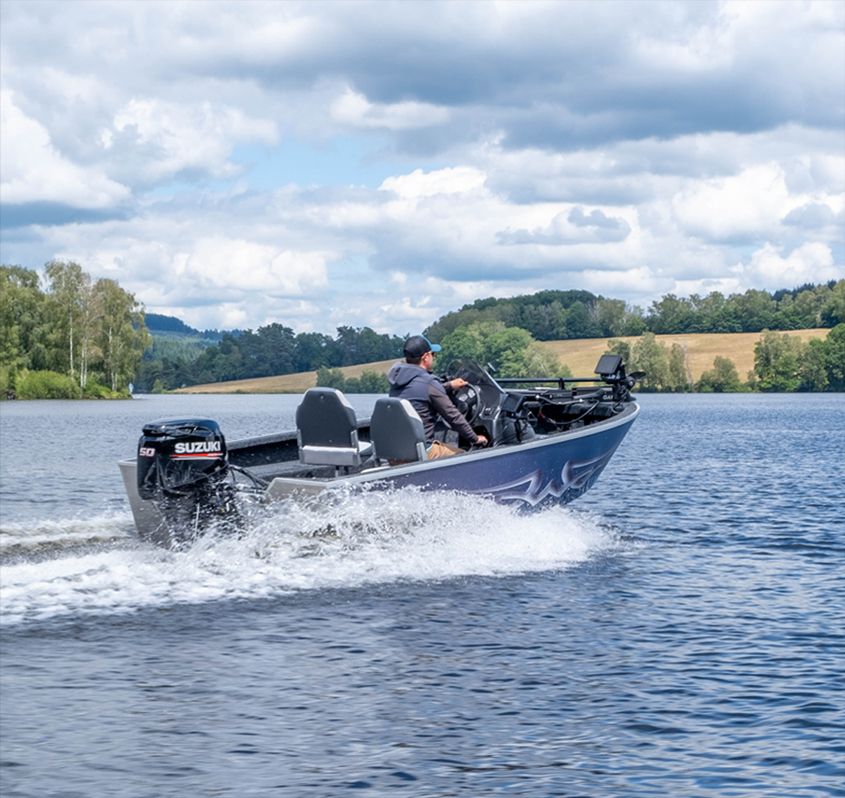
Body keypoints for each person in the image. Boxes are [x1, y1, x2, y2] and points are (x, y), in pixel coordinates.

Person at [387, 335, 488, 458]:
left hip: (397, 453)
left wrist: (449, 386)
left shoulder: (398, 380)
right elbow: (453, 417)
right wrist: (475, 438)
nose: (434, 358)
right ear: (426, 357)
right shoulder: (429, 383)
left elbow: (419, 391)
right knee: (465, 457)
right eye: (433, 354)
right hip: (421, 451)